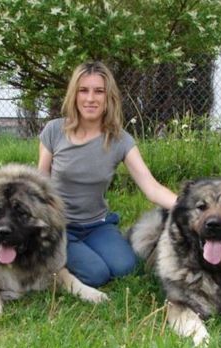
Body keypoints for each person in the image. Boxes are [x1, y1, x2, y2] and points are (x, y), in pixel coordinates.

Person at [38, 61, 177, 288]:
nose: (90, 98)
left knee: (126, 268)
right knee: (96, 275)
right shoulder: (54, 131)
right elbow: (39, 184)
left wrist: (189, 205)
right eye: (84, 90)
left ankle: (85, 250)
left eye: (98, 91)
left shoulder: (120, 140)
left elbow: (151, 188)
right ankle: (56, 260)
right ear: (74, 95)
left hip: (97, 225)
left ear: (108, 97)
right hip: (60, 225)